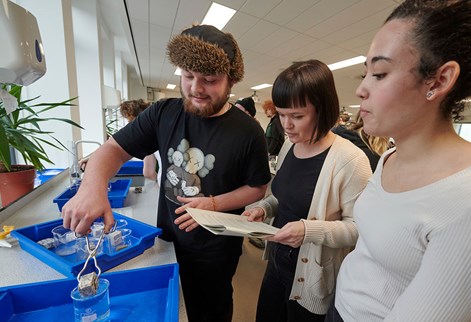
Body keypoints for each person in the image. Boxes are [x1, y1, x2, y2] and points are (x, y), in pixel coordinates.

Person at [62, 24, 271, 322]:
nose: (196, 88)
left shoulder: (249, 132)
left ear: (231, 80)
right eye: (188, 76)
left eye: (209, 80)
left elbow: (258, 187)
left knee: (209, 311)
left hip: (215, 250)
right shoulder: (164, 113)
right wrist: (90, 188)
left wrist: (212, 204)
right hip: (167, 240)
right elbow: (112, 150)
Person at [327, 1, 471, 321]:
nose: (362, 88)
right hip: (338, 305)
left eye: (379, 73)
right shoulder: (390, 157)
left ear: (438, 80)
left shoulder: (463, 200)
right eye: (366, 73)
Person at [243, 59, 372, 321]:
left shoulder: (351, 160)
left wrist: (308, 230)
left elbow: (360, 229)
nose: (286, 125)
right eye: (281, 114)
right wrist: (263, 207)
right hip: (277, 262)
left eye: (297, 116)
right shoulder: (290, 146)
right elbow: (284, 196)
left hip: (312, 276)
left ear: (322, 110)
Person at [119, 99, 162, 184]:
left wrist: (158, 181)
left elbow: (148, 173)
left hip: (167, 185)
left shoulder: (146, 135)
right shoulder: (161, 129)